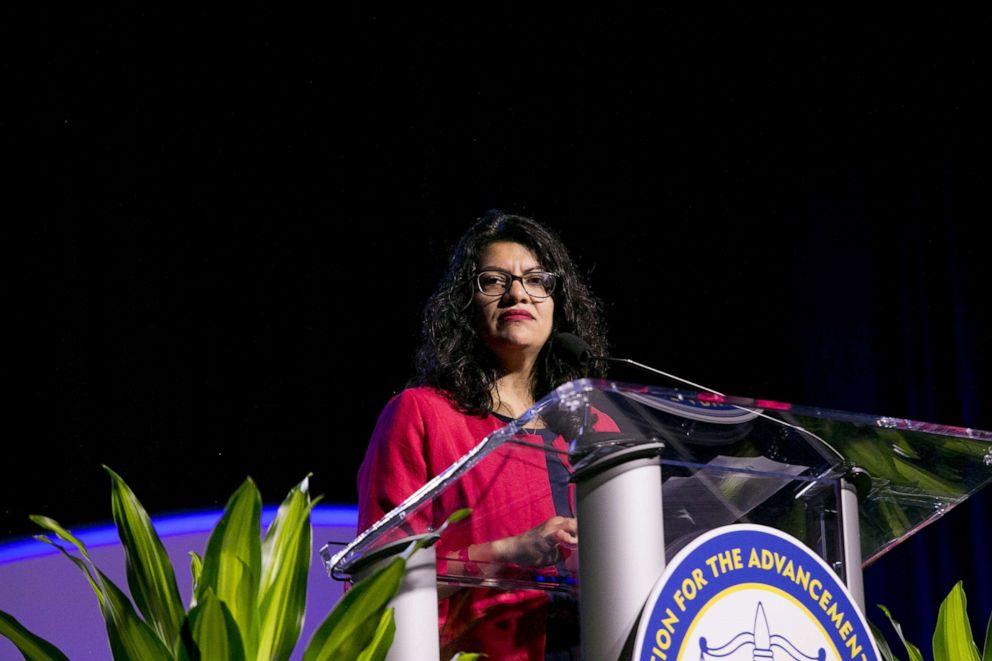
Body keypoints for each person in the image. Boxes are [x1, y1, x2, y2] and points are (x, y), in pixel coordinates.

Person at [356, 210, 616, 659]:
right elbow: (379, 581)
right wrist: (507, 552)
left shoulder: (595, 425)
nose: (518, 293)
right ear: (465, 305)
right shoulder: (422, 415)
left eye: (537, 279)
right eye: (494, 281)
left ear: (558, 302)